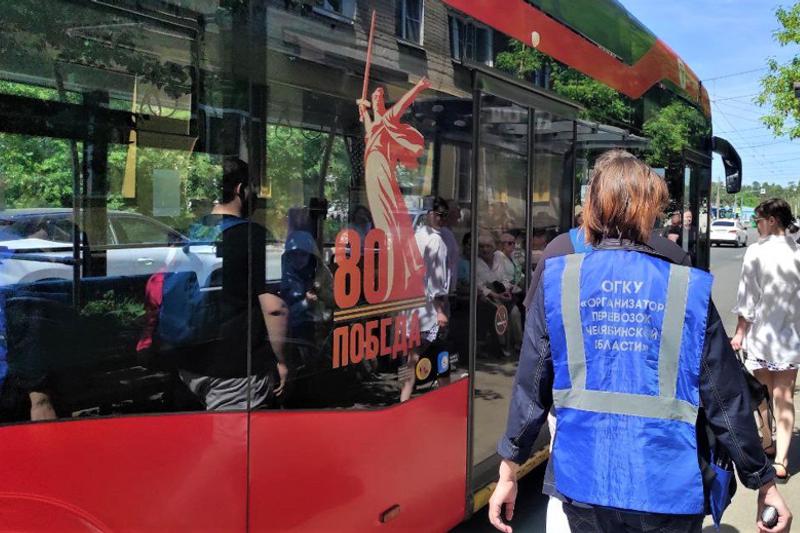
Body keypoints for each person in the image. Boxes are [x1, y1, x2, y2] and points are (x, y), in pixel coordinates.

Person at [489, 150, 791, 533]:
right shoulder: (685, 286)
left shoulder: (559, 281)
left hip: (583, 482)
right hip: (666, 483)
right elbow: (724, 396)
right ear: (650, 210)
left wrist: (508, 471)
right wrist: (762, 481)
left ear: (592, 206)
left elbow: (531, 386)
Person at [143, 158, 288, 411]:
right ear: (240, 189)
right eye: (253, 189)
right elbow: (273, 308)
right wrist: (283, 361)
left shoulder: (194, 230)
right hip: (232, 370)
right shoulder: (250, 235)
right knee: (236, 435)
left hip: (187, 362)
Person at [732, 198, 800, 484]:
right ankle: (782, 460)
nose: (756, 225)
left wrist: (739, 333)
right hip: (791, 339)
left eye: (758, 220)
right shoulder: (798, 253)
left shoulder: (756, 252)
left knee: (762, 394)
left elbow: (747, 299)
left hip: (761, 337)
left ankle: (767, 440)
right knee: (784, 396)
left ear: (772, 220)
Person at [401, 197, 451, 402]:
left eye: (444, 215)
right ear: (429, 214)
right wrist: (440, 311)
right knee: (441, 359)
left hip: (413, 310)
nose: (441, 219)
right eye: (438, 214)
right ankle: (446, 401)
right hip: (429, 313)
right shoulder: (436, 241)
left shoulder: (416, 236)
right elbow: (435, 279)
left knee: (412, 358)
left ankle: (404, 399)